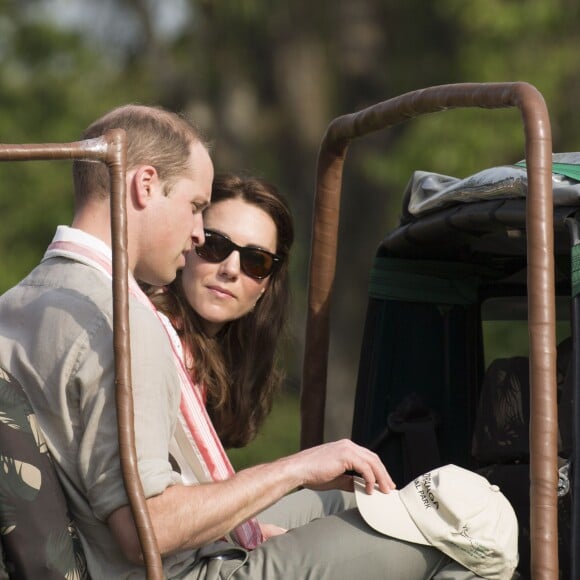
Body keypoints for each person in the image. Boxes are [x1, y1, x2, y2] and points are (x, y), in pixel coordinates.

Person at [0, 104, 487, 579]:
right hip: (179, 569)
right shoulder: (124, 325)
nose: (196, 234)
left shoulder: (20, 301)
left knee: (351, 503)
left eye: (257, 262)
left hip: (114, 553)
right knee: (468, 534)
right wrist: (297, 467)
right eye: (196, 209)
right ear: (144, 185)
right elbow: (147, 528)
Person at [148, 173, 293, 450]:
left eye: (256, 261)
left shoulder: (230, 360)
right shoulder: (153, 333)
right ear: (189, 243)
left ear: (268, 284)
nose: (230, 269)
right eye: (215, 245)